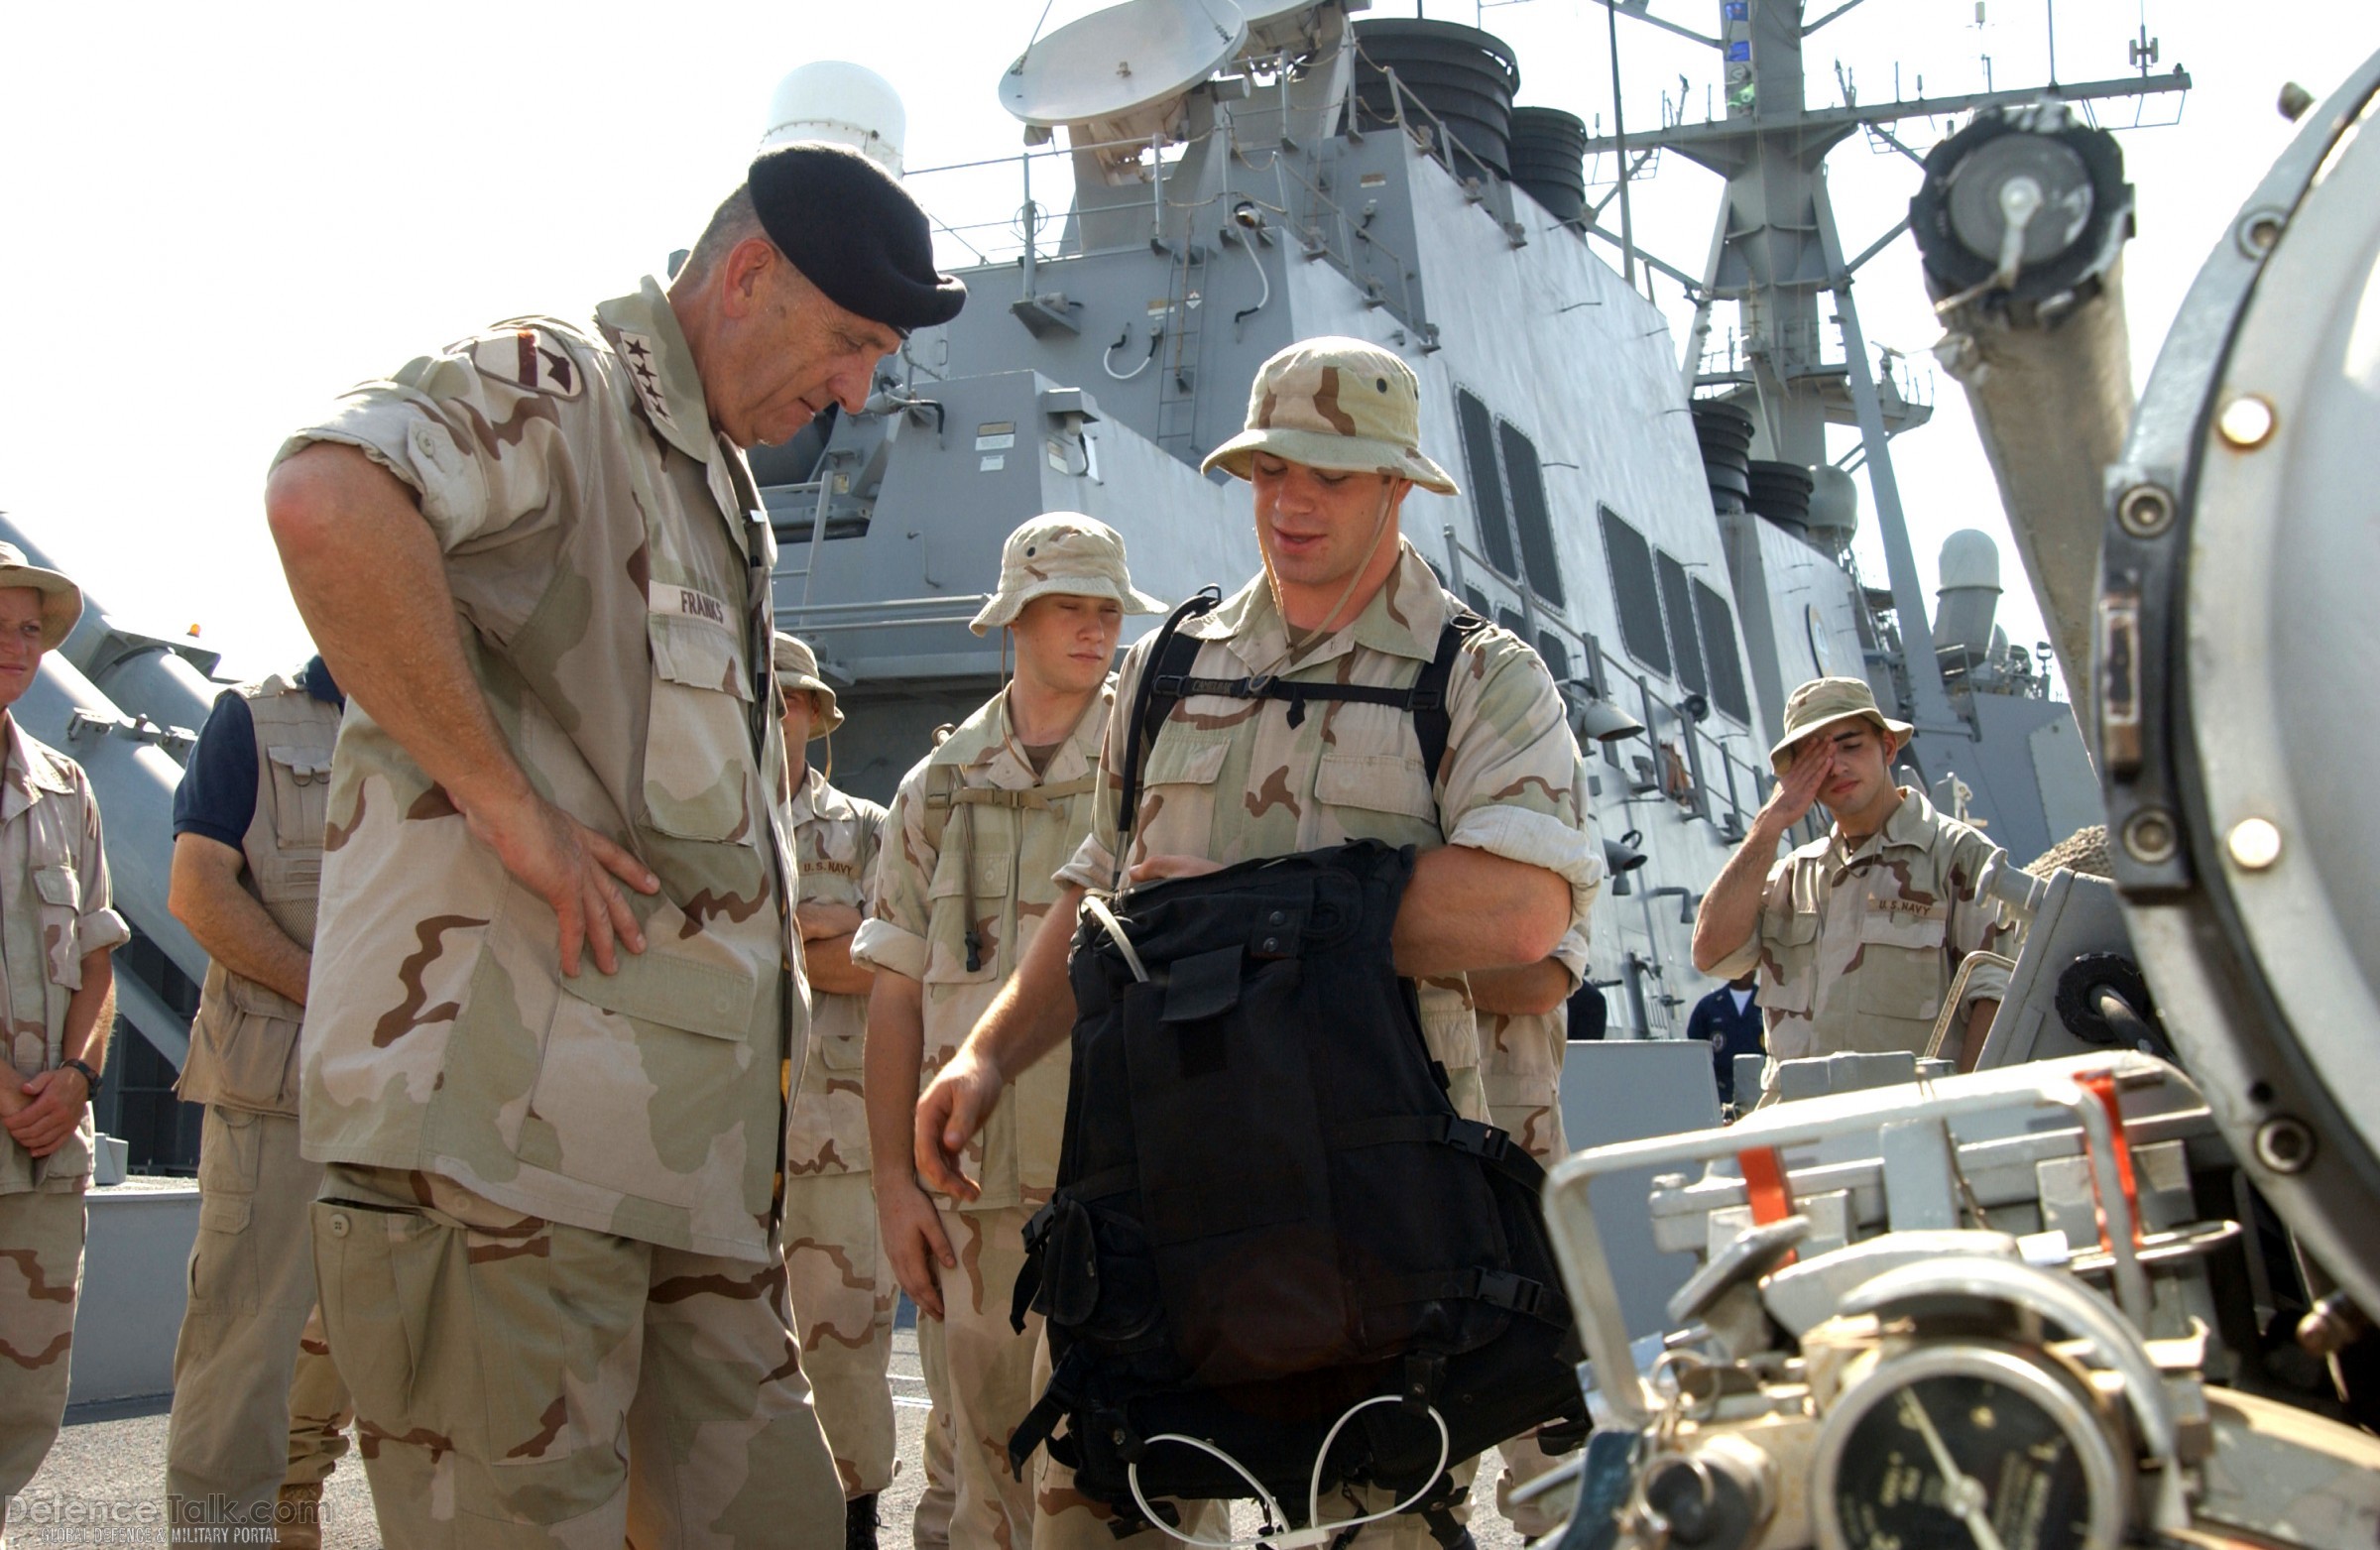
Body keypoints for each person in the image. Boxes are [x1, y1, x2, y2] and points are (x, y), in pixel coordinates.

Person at [262, 142, 964, 1547]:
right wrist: (501, 800)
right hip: (508, 1157)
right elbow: (327, 497)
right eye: (848, 344)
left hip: (684, 1186)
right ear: (749, 274)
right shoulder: (562, 383)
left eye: (879, 358)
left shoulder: (712, 477)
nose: (856, 391)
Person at [917, 338, 1599, 1549]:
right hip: (1160, 1191)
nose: (1290, 501)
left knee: (1380, 1516)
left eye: (1329, 475)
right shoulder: (1166, 669)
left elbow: (1522, 914)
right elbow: (1097, 895)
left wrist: (1247, 904)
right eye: (1268, 467)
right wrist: (985, 1056)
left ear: (1398, 486)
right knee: (1093, 1514)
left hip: (1371, 1208)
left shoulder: (1477, 679)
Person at [852, 514, 1163, 1549]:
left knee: (1143, 1492)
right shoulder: (937, 788)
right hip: (975, 1211)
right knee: (988, 1492)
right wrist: (894, 1185)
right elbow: (893, 994)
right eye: (1068, 605)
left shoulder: (1162, 765)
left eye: (1107, 608)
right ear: (1013, 620)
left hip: (1128, 1198)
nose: (1093, 628)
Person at [164, 653, 354, 1547]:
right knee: (241, 1373)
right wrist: (337, 996)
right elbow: (197, 890)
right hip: (281, 1100)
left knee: (424, 1384)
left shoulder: (470, 722)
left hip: (436, 1106)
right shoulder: (253, 723)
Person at [1691, 675, 2014, 1078]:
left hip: (1909, 1122)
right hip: (1797, 1125)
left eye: (1850, 745)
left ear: (1888, 747)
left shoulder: (1957, 857)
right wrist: (1769, 825)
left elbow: (1996, 997)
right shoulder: (1793, 877)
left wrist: (1962, 1113)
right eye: (1815, 757)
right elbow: (1711, 954)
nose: (1836, 766)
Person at [0, 545, 127, 1516]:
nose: (16, 647)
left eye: (30, 631)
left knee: (18, 1414)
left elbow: (98, 962)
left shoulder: (65, 788)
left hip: (40, 1157)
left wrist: (78, 1081)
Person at [771, 633, 901, 1550]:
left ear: (816, 716)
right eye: (761, 695)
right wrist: (821, 924)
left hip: (836, 1133)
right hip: (715, 1133)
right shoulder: (701, 822)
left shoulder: (864, 829)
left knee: (845, 1342)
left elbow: (889, 964)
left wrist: (783, 930)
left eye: (790, 701)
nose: (774, 715)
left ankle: (855, 1515)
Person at [1684, 974, 1765, 1109]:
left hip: (1761, 1088)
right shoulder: (1709, 1006)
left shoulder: (1768, 1004)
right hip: (1720, 1091)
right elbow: (1695, 1049)